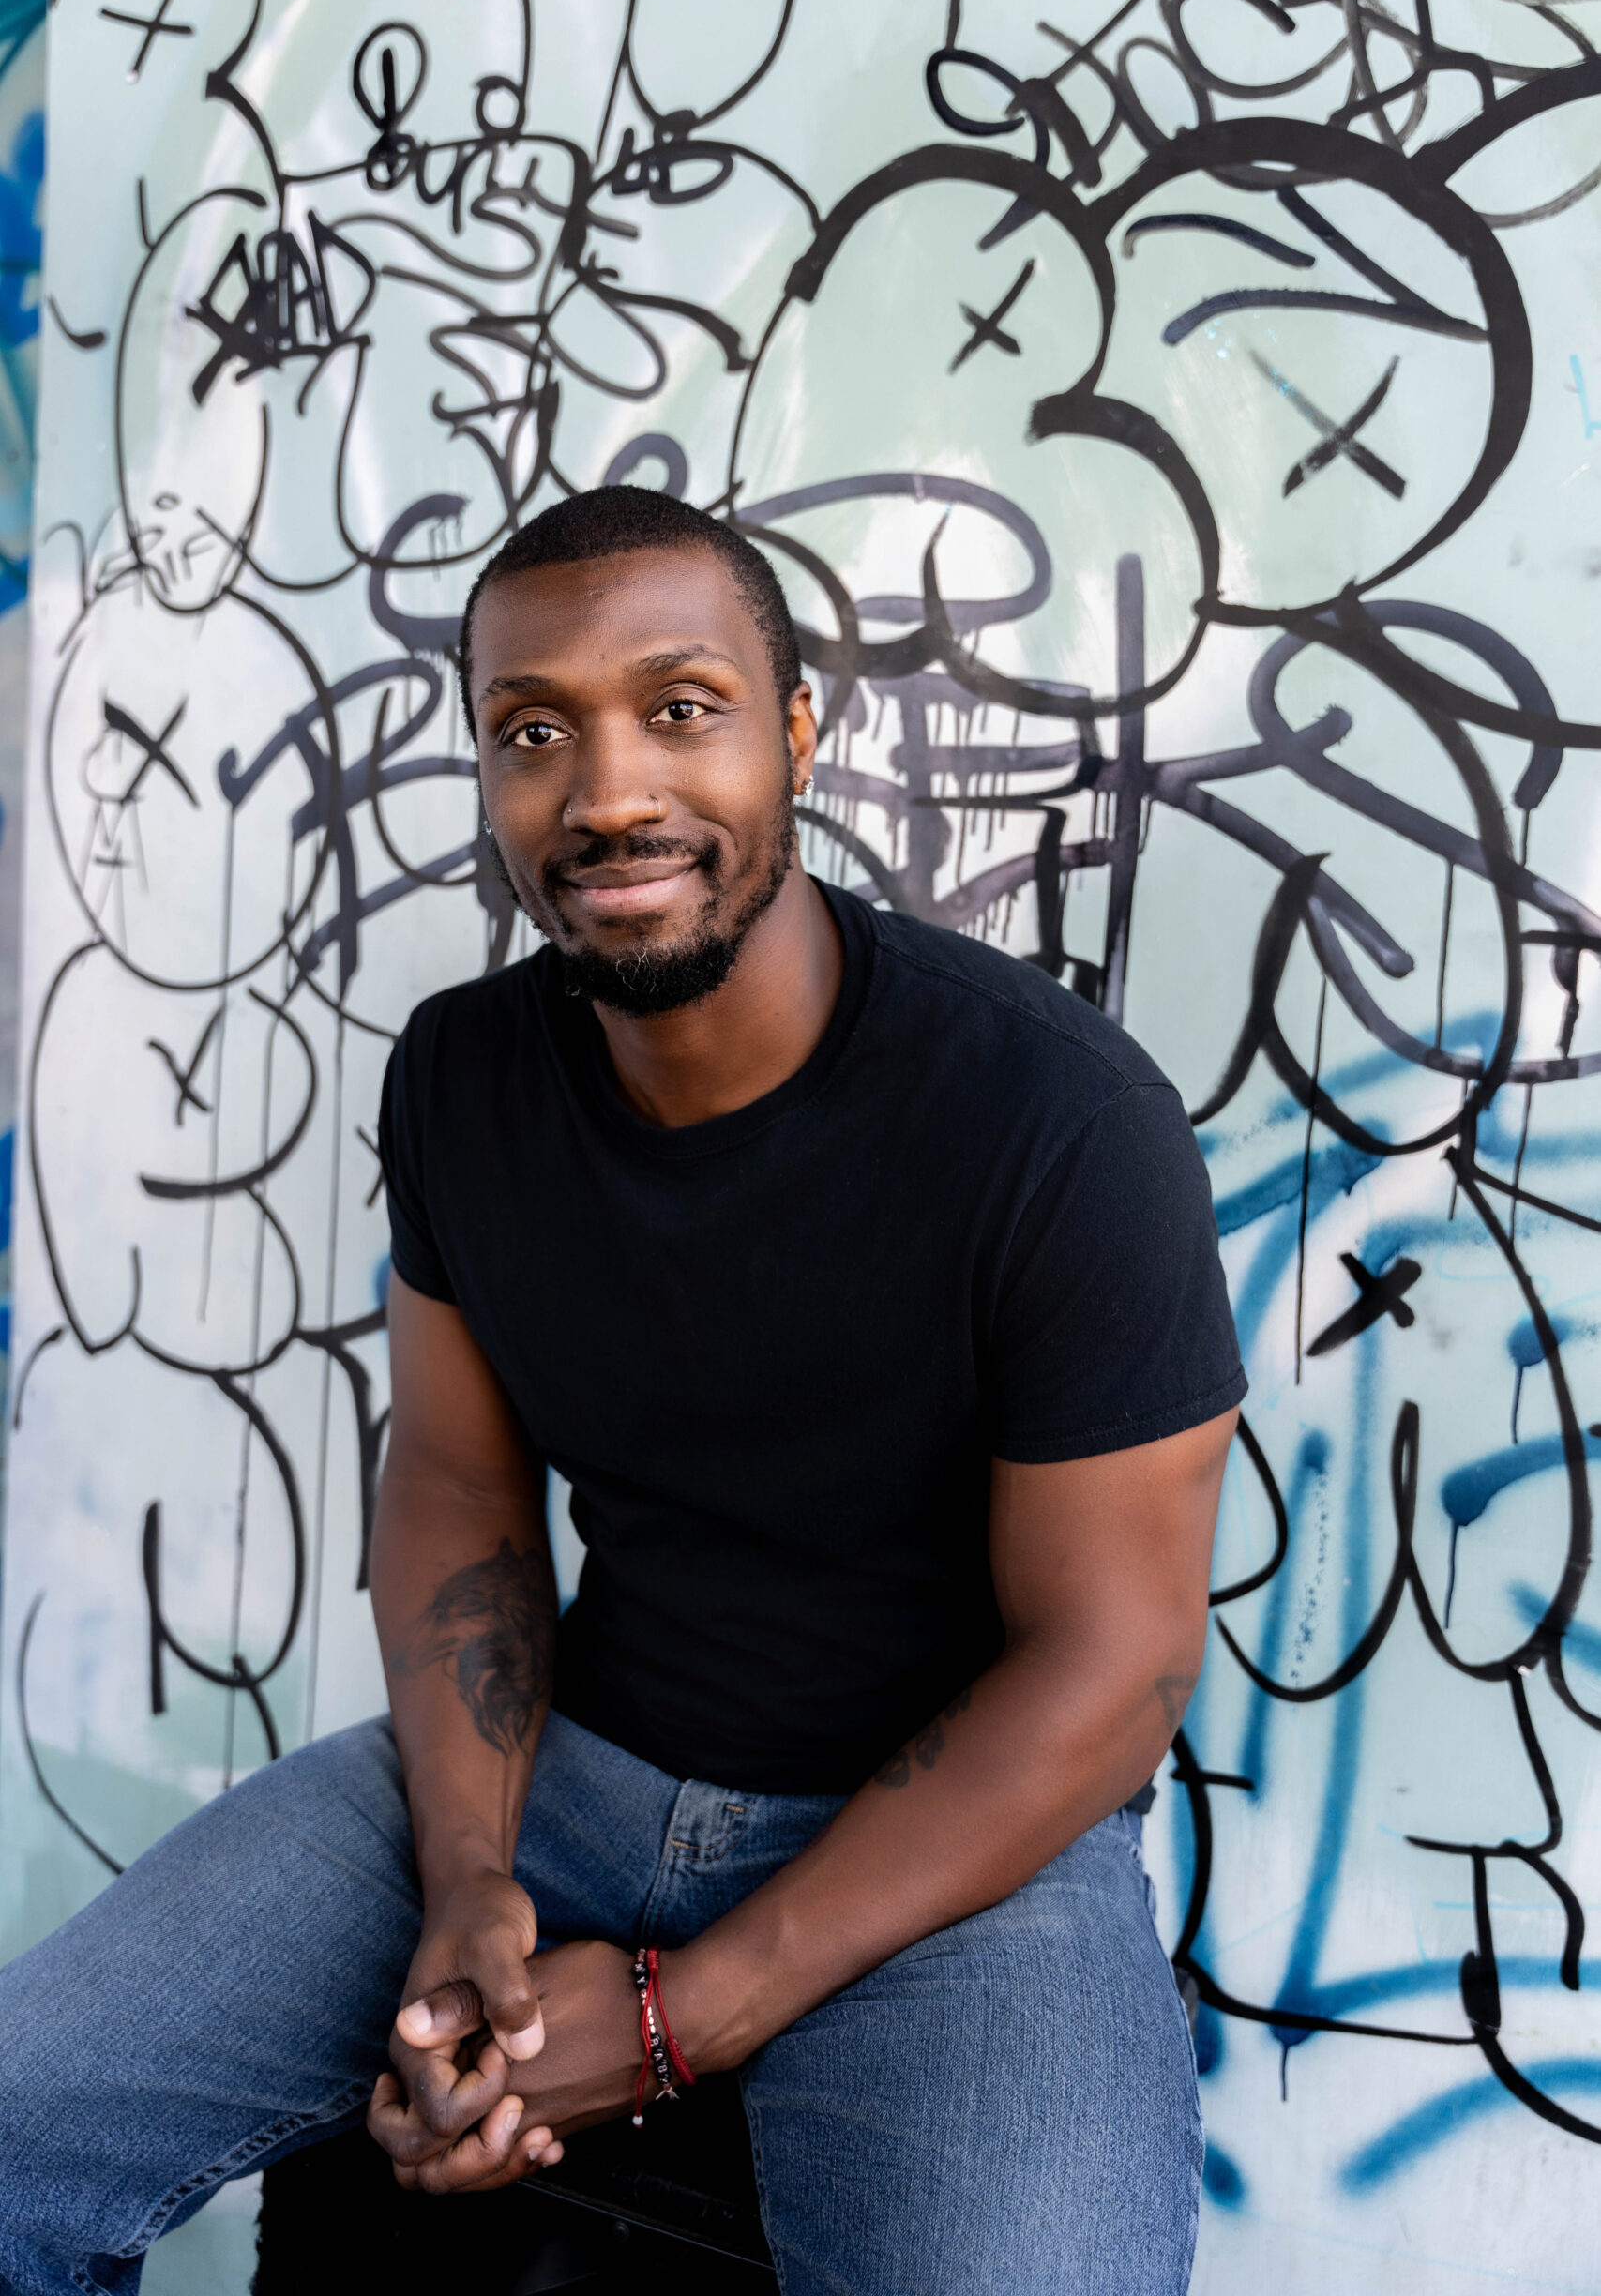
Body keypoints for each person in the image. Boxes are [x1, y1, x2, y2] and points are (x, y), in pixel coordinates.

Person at [0, 486, 1244, 2295]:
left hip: (955, 1854)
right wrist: (466, 1874)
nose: (608, 794)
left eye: (681, 707)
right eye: (533, 733)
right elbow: (453, 1486)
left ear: (798, 731)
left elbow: (1110, 1674)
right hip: (574, 1771)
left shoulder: (1054, 1120)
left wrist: (672, 2023)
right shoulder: (464, 1077)